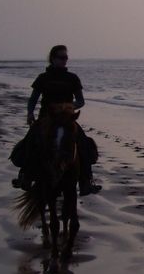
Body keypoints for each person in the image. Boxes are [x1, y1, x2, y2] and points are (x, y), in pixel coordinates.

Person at [10, 45, 100, 196]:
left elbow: (81, 101)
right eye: (61, 57)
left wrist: (67, 107)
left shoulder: (72, 78)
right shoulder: (43, 78)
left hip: (66, 119)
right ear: (53, 58)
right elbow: (33, 99)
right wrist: (29, 113)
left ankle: (86, 181)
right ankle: (25, 176)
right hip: (46, 118)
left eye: (66, 57)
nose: (64, 60)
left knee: (83, 142)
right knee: (30, 140)